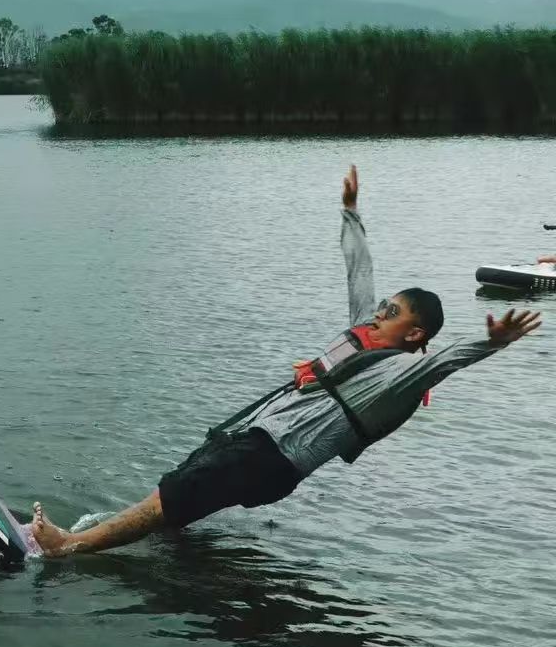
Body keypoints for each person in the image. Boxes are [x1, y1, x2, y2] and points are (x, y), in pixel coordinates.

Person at [30, 164, 541, 558]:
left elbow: (446, 361)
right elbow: (359, 271)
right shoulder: (365, 335)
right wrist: (351, 212)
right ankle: (140, 544)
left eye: (390, 312)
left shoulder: (400, 374)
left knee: (171, 496)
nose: (379, 311)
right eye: (383, 306)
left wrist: (492, 343)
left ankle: (68, 549)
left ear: (414, 333)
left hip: (274, 456)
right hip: (257, 437)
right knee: (179, 492)